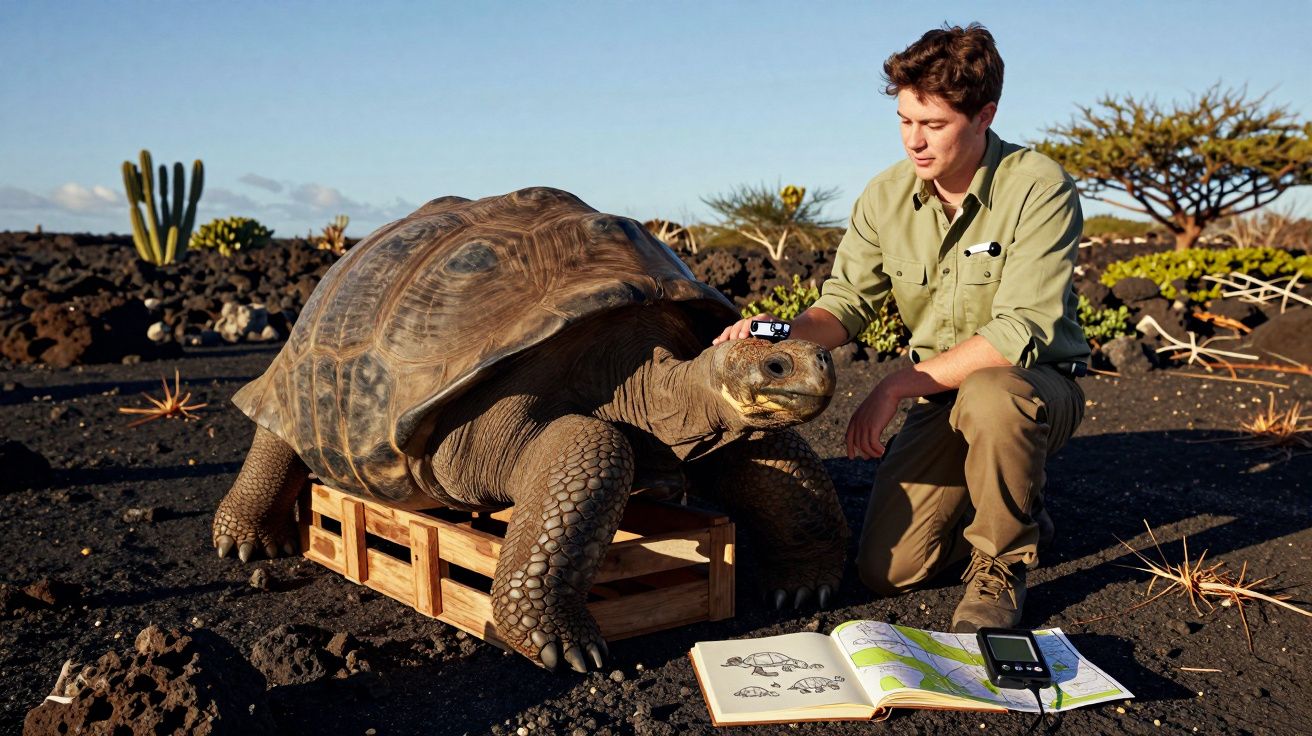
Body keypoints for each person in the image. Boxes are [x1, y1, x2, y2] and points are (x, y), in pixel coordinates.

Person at [714, 23, 1089, 633]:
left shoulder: (1037, 186)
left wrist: (895, 385)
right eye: (904, 120)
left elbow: (1020, 329)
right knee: (890, 572)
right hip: (942, 391)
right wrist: (777, 333)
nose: (914, 141)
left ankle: (1001, 565)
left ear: (984, 115)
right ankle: (1011, 497)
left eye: (933, 125)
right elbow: (846, 303)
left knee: (993, 396)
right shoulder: (885, 195)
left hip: (1033, 387)